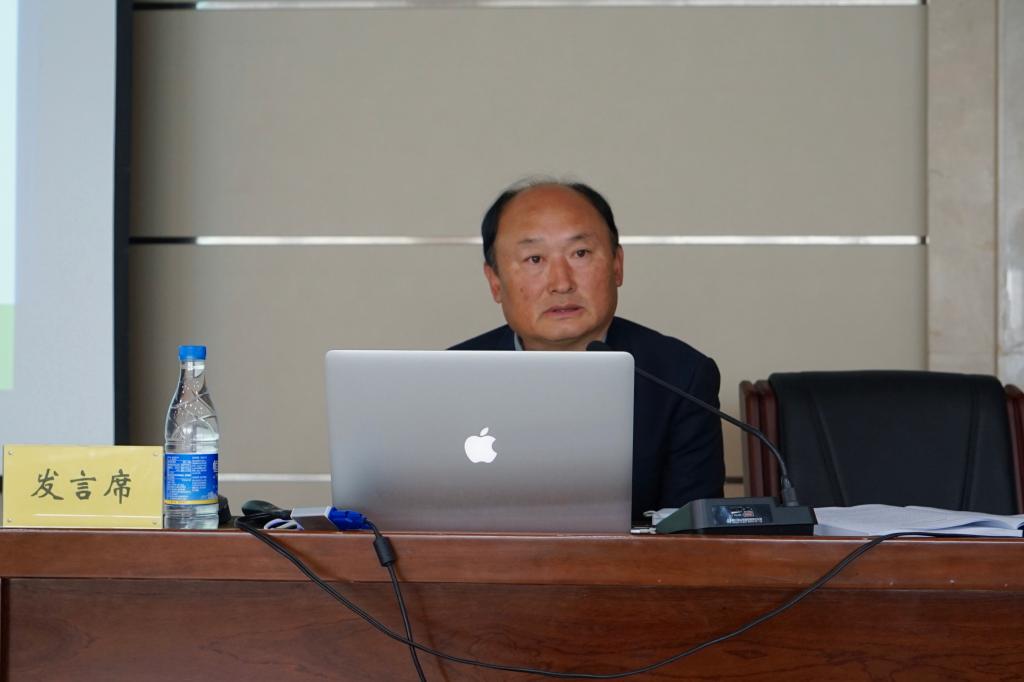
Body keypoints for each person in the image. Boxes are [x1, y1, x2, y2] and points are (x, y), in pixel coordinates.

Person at [451, 180, 725, 525]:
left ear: (617, 265)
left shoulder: (680, 376)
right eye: (534, 259)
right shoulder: (449, 379)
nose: (561, 283)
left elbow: (697, 537)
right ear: (494, 281)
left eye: (580, 253)